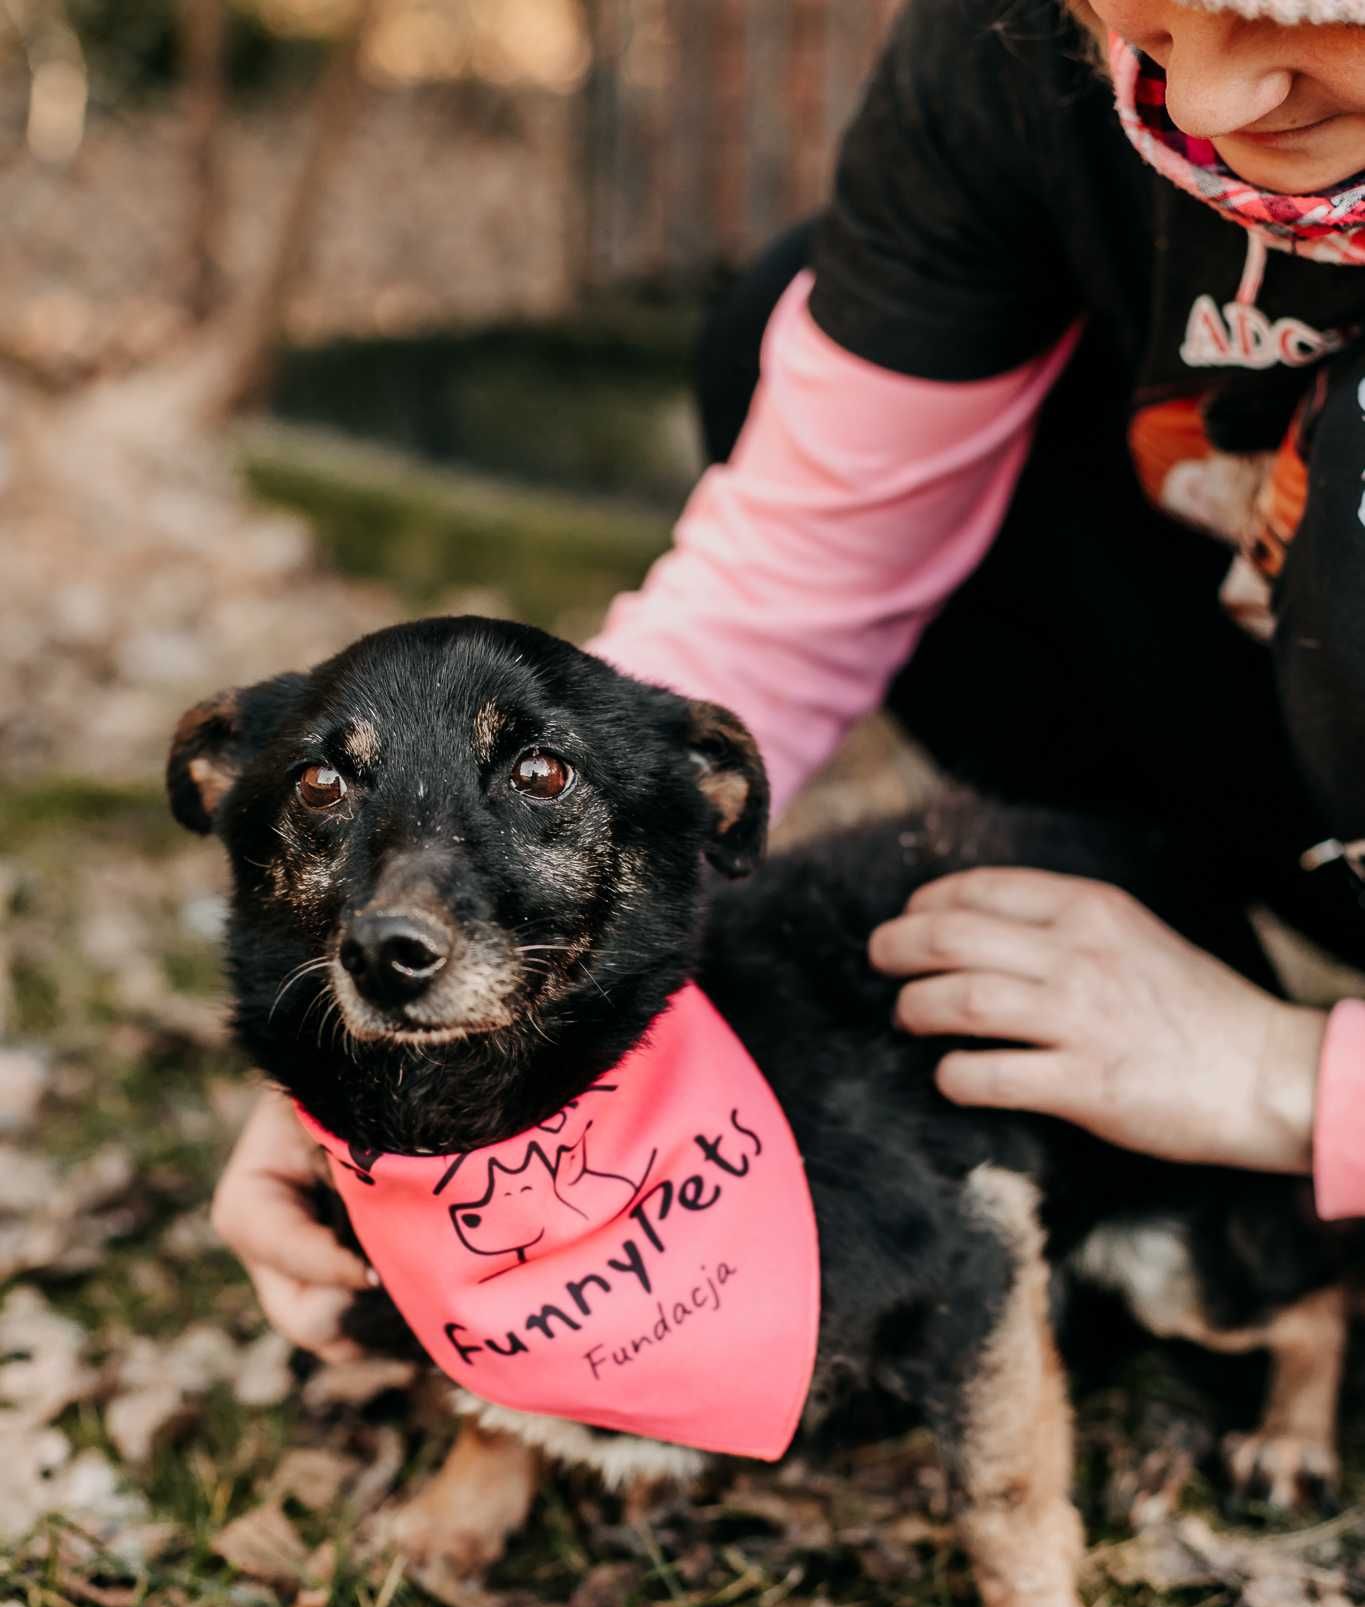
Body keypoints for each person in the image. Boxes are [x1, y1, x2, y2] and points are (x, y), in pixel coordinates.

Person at [215, 0, 1365, 1364]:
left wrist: (1286, 1077)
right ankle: (1154, 889)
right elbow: (794, 567)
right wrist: (396, 1059)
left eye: (1296, 10)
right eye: (1152, 20)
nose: (1218, 99)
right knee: (783, 318)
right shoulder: (1003, 58)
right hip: (1289, 743)